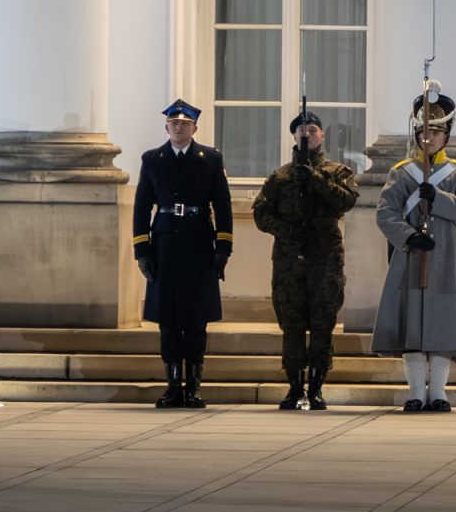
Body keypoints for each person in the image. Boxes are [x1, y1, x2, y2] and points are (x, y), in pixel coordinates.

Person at [371, 90, 456, 412]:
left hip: (445, 258)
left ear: (446, 135)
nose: (428, 138)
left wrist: (438, 198)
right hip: (411, 255)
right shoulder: (402, 172)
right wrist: (407, 236)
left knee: (442, 322)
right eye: (423, 132)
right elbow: (385, 214)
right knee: (412, 323)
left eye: (435, 132)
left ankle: (439, 392)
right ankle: (416, 392)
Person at [252, 111, 360, 411]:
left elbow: (346, 200)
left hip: (324, 258)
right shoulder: (280, 176)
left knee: (323, 324)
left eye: (312, 129)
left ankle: (316, 388)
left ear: (322, 135)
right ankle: (294, 387)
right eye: (301, 129)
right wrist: (286, 230)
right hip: (289, 260)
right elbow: (261, 213)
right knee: (292, 325)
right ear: (294, 136)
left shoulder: (338, 171)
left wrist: (315, 178)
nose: (306, 134)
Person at [132, 99, 234, 409]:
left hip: (198, 243)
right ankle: (173, 385)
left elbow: (222, 205)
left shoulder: (211, 159)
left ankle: (194, 387)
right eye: (174, 124)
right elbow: (141, 206)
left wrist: (223, 248)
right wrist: (142, 250)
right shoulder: (153, 159)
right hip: (164, 246)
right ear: (166, 128)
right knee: (168, 319)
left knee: (196, 319)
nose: (179, 128)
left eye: (185, 124)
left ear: (194, 128)